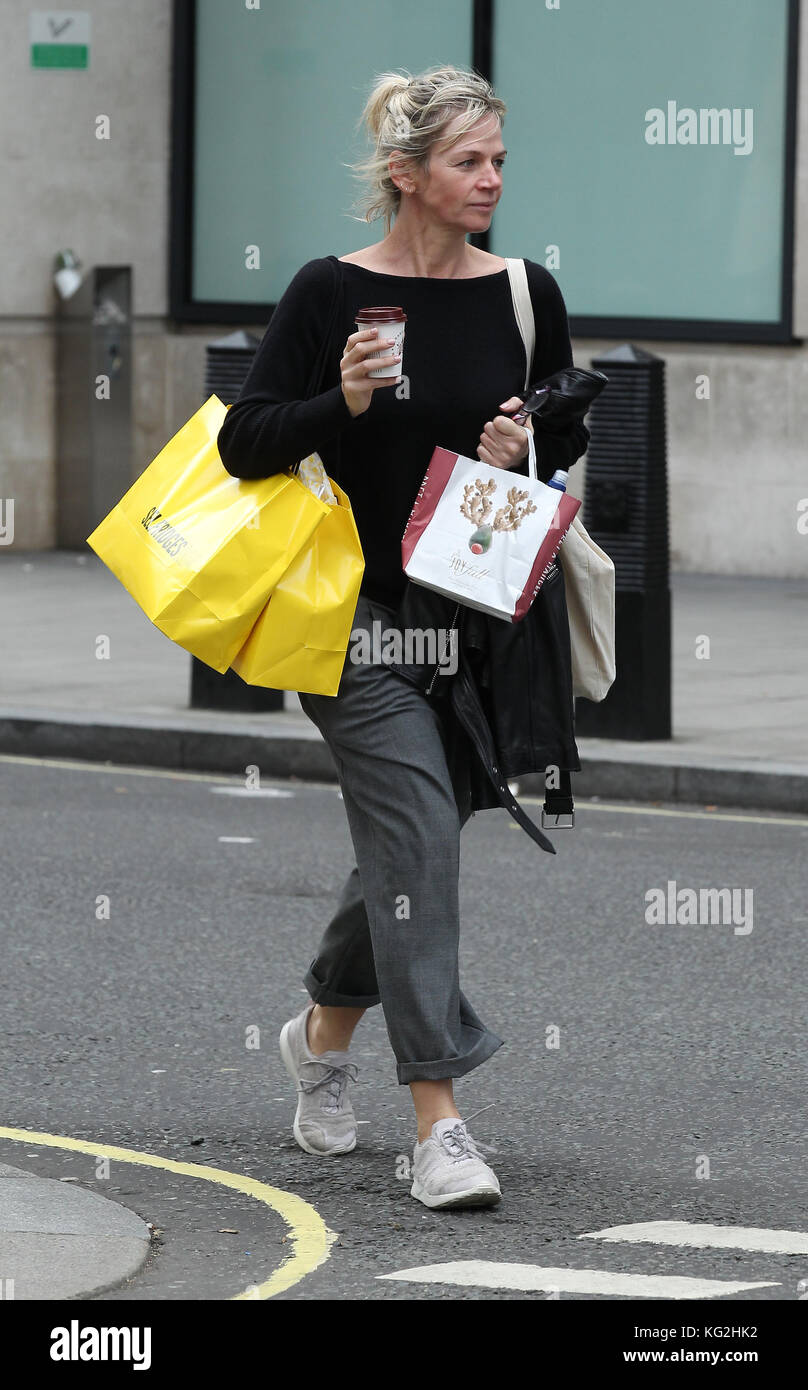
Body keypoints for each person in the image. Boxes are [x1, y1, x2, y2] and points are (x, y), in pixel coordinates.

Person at [216, 65, 588, 1210]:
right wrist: (346, 404)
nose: (490, 181)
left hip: (473, 620)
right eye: (468, 162)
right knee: (421, 827)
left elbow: (562, 428)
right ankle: (439, 1120)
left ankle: (319, 1033)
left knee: (409, 842)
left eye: (498, 162)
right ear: (405, 175)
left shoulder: (522, 290)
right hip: (354, 620)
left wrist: (513, 442)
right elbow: (245, 443)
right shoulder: (330, 292)